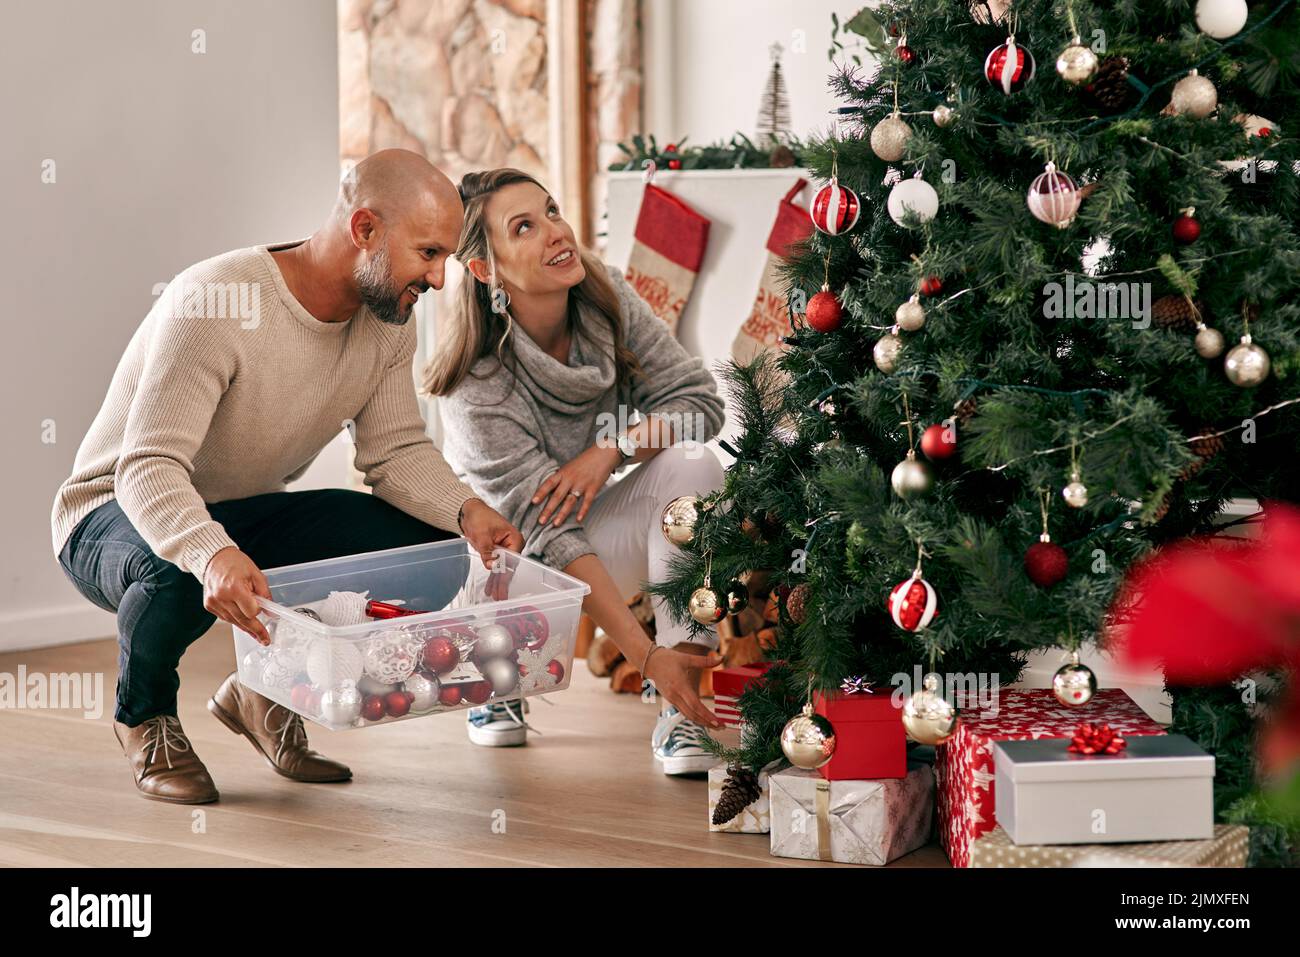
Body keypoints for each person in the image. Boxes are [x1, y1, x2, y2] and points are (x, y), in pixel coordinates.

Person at [51, 149, 523, 805]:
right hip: (111, 511)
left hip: (240, 509)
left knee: (433, 554)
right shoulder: (219, 300)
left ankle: (263, 687)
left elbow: (394, 450)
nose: (441, 278)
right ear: (364, 229)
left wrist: (467, 510)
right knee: (177, 566)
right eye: (429, 253)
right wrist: (211, 553)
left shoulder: (386, 328)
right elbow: (149, 465)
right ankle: (146, 716)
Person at [425, 168, 729, 774]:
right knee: (511, 569)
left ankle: (681, 700)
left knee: (694, 465)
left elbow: (700, 405)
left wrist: (610, 447)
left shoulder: (607, 299)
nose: (557, 233)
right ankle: (495, 681)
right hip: (507, 576)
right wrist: (641, 655)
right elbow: (545, 530)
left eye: (552, 211)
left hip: (584, 539)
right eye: (524, 228)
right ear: (486, 270)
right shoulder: (476, 384)